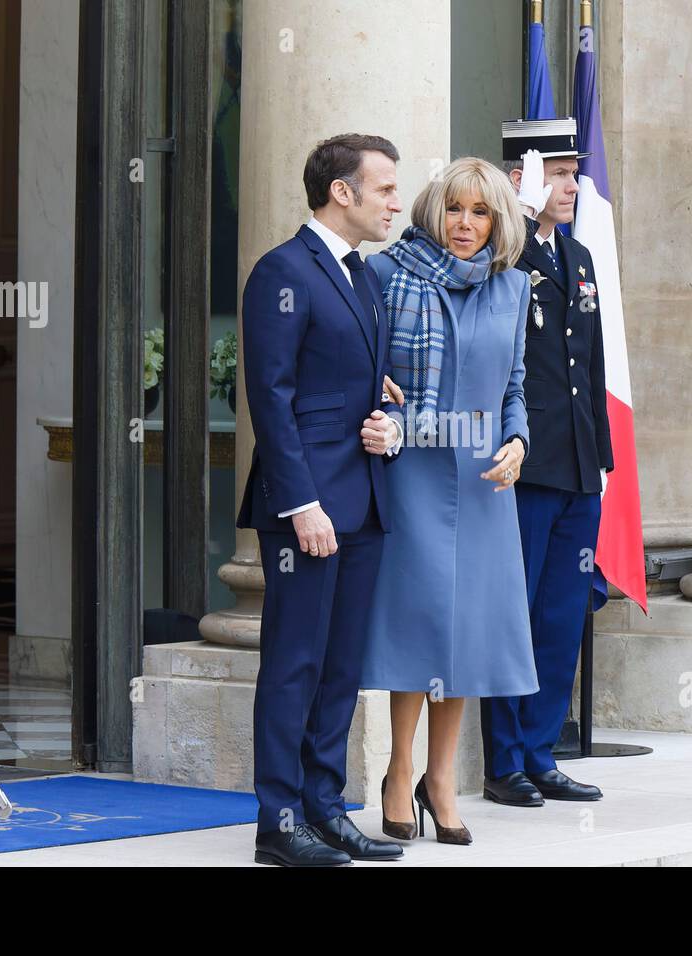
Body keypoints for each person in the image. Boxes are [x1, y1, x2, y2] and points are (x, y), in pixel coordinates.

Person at [239, 132, 408, 866]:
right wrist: (300, 504)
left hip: (364, 501)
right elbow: (269, 400)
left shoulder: (364, 277)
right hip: (305, 506)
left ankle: (324, 806)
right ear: (341, 192)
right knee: (294, 662)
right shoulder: (282, 271)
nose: (396, 202)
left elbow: (374, 388)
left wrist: (390, 426)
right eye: (384, 189)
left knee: (341, 668)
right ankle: (277, 822)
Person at [361, 157, 536, 846]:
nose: (465, 225)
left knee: (466, 635)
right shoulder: (384, 273)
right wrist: (379, 388)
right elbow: (358, 366)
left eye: (481, 212)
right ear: (436, 211)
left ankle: (442, 780)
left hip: (486, 484)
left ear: (499, 221)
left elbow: (516, 386)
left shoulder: (515, 287)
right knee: (419, 624)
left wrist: (518, 441)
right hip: (414, 472)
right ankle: (398, 771)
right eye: (455, 209)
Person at [479, 118, 612, 807]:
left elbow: (588, 365)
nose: (571, 185)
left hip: (577, 467)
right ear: (520, 180)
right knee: (515, 614)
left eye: (572, 173)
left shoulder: (580, 258)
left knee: (561, 617)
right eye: (556, 173)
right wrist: (520, 221)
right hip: (524, 467)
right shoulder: (503, 257)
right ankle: (502, 761)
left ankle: (540, 752)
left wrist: (603, 463)